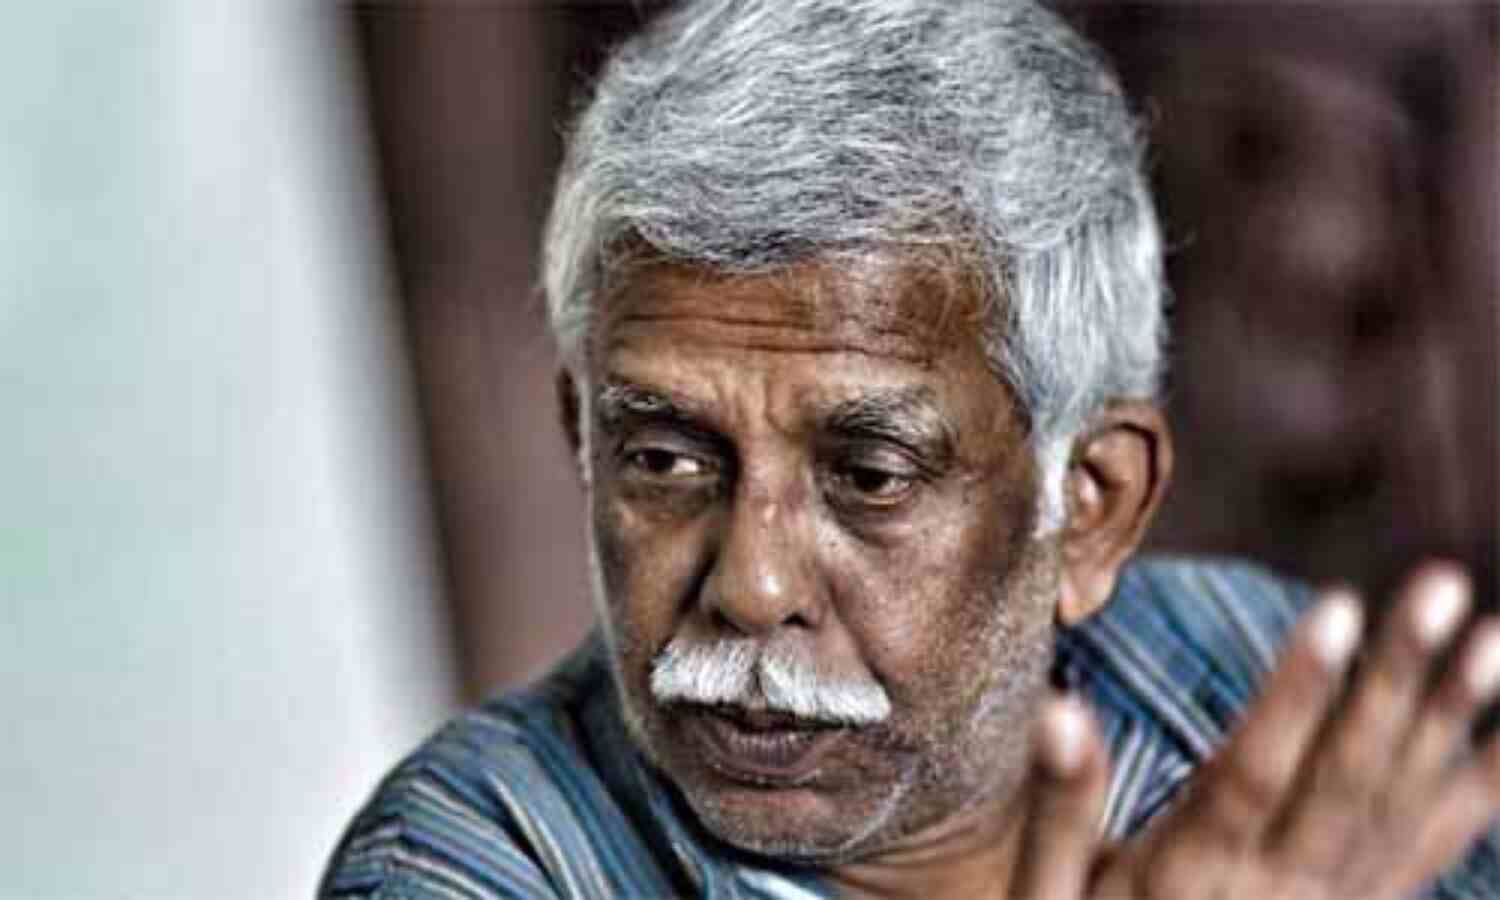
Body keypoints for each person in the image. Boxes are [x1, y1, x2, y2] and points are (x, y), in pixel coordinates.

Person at [320, 1, 1500, 897]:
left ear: (1090, 505)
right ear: (584, 442)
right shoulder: (471, 862)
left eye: (869, 476)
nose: (751, 585)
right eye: (666, 461)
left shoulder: (1255, 681)